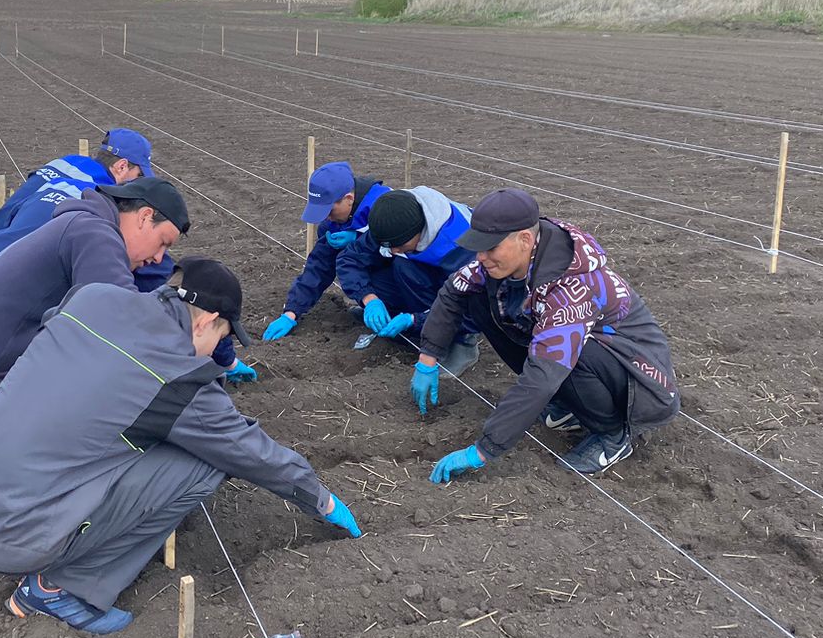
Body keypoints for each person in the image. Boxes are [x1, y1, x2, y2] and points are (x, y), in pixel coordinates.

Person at [0, 258, 362, 634]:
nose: (217, 351)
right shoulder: (180, 378)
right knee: (203, 464)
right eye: (222, 336)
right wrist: (319, 498)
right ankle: (58, 589)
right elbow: (249, 451)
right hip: (12, 535)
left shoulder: (93, 298)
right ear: (204, 321)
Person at [0, 177, 250, 444]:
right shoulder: (94, 234)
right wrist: (200, 384)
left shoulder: (83, 226)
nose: (158, 258)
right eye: (163, 242)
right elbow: (125, 332)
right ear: (144, 216)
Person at [418, 189, 678, 482]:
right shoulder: (510, 261)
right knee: (480, 300)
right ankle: (569, 406)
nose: (481, 257)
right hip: (594, 362)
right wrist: (427, 358)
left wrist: (484, 449)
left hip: (639, 383)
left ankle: (613, 434)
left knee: (567, 353)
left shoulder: (570, 289)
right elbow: (454, 290)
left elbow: (542, 374)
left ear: (524, 240)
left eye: (490, 248)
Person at [0, 128, 155, 311]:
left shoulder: (64, 165)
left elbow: (10, 214)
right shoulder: (97, 195)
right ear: (121, 166)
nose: (137, 183)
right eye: (138, 174)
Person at [335, 186, 481, 369]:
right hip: (426, 277)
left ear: (418, 231)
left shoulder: (461, 245)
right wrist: (369, 299)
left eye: (399, 244)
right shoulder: (394, 221)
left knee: (406, 267)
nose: (393, 250)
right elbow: (350, 260)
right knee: (383, 268)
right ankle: (395, 317)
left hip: (461, 296)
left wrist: (414, 320)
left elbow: (474, 308)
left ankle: (461, 343)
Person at [261, 161, 390, 342]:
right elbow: (319, 266)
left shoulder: (385, 206)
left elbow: (406, 252)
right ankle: (375, 306)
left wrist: (363, 237)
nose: (326, 217)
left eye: (329, 210)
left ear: (348, 199)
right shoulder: (333, 223)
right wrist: (291, 313)